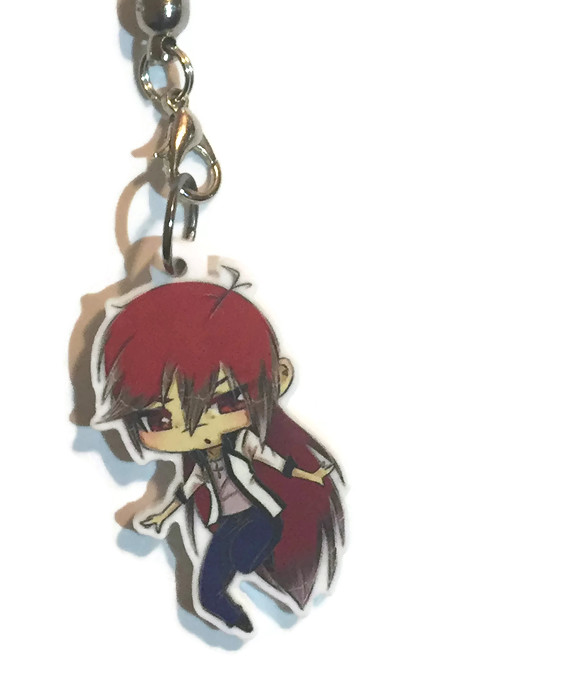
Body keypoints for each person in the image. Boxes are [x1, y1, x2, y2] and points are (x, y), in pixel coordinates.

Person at [93, 274, 345, 633]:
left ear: (279, 377)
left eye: (226, 400)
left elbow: (277, 463)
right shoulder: (200, 466)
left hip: (260, 517)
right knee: (208, 592)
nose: (195, 428)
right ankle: (238, 624)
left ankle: (250, 564)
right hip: (228, 524)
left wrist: (310, 474)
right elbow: (185, 493)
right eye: (160, 418)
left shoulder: (244, 444)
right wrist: (161, 518)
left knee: (244, 557)